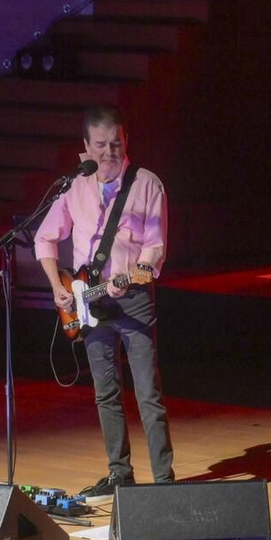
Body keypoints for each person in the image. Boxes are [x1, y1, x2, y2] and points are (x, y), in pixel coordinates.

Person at [36, 105, 173, 497]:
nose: (109, 152)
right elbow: (45, 238)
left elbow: (154, 248)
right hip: (89, 302)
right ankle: (119, 474)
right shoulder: (74, 186)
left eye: (116, 143)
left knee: (147, 391)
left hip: (133, 297)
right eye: (101, 145)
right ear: (86, 145)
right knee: (105, 392)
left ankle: (164, 481)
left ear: (126, 140)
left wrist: (134, 272)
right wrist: (56, 286)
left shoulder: (147, 184)